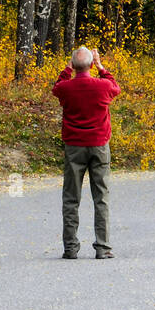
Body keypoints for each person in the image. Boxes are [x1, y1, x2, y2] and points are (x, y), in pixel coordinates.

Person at [52, 45, 121, 259]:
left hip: (74, 147)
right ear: (91, 64)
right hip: (99, 146)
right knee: (101, 196)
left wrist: (66, 69)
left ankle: (70, 247)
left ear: (73, 66)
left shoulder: (66, 88)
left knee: (71, 198)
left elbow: (56, 87)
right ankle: (103, 247)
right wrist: (101, 67)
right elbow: (115, 87)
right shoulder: (102, 86)